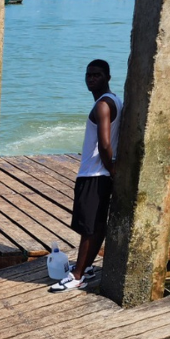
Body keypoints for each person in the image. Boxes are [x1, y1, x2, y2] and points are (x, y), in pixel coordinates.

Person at [50, 59, 121, 293]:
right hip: (99, 174)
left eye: (97, 75)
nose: (91, 79)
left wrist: (111, 169)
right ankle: (87, 266)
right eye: (88, 75)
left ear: (107, 77)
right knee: (97, 226)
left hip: (94, 173)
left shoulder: (102, 105)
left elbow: (104, 144)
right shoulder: (115, 101)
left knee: (89, 228)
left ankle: (77, 275)